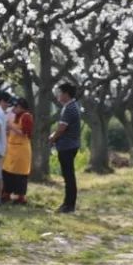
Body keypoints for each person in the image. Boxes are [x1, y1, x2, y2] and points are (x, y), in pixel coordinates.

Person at [48, 82, 81, 213]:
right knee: (68, 176)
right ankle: (68, 204)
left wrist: (52, 138)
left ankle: (68, 205)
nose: (58, 96)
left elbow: (61, 128)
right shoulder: (71, 106)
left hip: (67, 146)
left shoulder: (69, 108)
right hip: (69, 145)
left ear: (66, 94)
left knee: (68, 177)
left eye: (60, 93)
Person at [2, 97, 34, 204]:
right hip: (12, 149)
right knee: (7, 172)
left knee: (20, 174)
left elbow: (24, 133)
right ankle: (6, 193)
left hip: (21, 150)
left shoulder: (26, 116)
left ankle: (20, 197)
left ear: (20, 107)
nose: (13, 109)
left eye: (15, 106)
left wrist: (11, 126)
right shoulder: (15, 116)